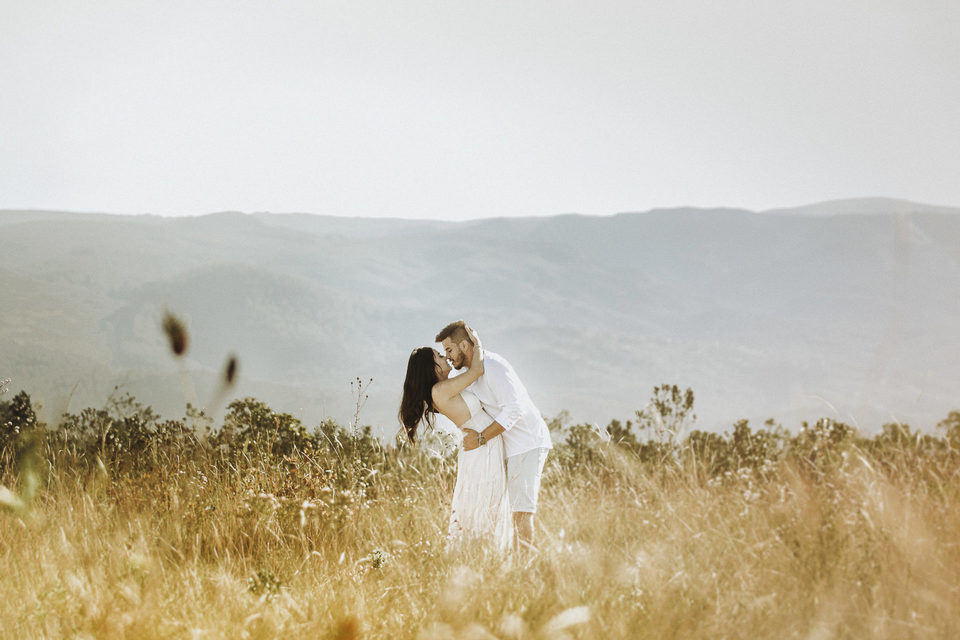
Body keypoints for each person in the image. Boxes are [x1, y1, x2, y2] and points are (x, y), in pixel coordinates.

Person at [435, 321, 553, 551]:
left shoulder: (494, 366)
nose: (447, 357)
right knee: (506, 515)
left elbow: (514, 409)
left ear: (464, 346)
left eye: (449, 350)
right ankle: (510, 564)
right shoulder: (469, 372)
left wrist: (481, 438)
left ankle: (525, 565)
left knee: (520, 514)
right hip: (508, 449)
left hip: (526, 444)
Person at [399, 327, 512, 551]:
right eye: (439, 356)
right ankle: (482, 554)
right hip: (481, 448)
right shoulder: (439, 391)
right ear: (432, 367)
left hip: (482, 445)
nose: (445, 357)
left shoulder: (442, 389)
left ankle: (482, 554)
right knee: (485, 503)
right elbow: (477, 370)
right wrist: (476, 342)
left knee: (485, 503)